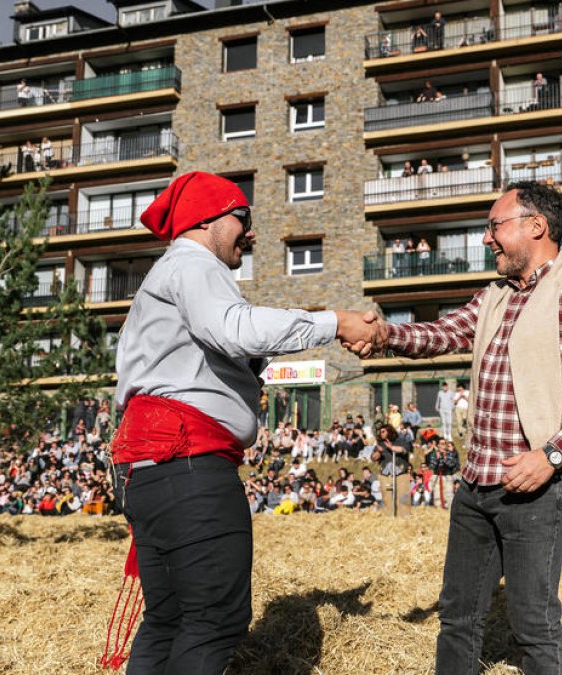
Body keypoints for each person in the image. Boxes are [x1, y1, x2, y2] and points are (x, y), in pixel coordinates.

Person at [104, 172, 380, 673]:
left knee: (168, 619)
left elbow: (205, 355)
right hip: (186, 464)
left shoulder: (163, 279)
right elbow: (234, 329)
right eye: (242, 218)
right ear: (207, 221)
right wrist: (334, 321)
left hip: (151, 465)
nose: (249, 232)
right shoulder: (194, 264)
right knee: (213, 619)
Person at [347, 181, 562, 674]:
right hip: (476, 486)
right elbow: (443, 333)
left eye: (495, 225)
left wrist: (551, 455)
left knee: (533, 625)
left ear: (535, 226)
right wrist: (384, 333)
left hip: (540, 489)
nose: (485, 238)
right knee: (457, 617)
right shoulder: (494, 296)